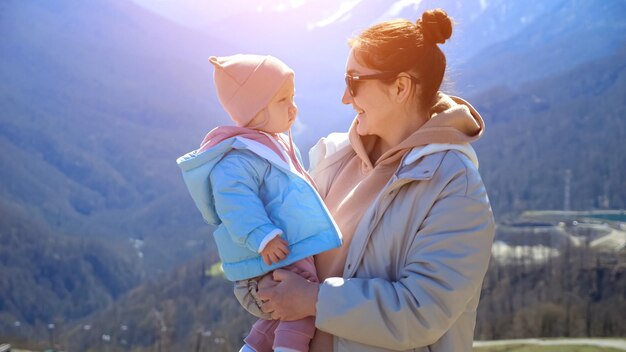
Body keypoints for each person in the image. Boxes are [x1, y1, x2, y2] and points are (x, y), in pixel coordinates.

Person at [238, 8, 496, 352]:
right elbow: (288, 268)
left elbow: (422, 312)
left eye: (354, 81)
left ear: (401, 86)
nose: (345, 97)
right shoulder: (332, 158)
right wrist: (258, 278)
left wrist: (314, 300)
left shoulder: (455, 188)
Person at [177, 54, 342, 352]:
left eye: (293, 97)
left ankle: (253, 348)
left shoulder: (268, 144)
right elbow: (234, 203)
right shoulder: (238, 159)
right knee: (300, 307)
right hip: (272, 253)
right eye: (283, 100)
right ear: (255, 109)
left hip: (284, 250)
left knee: (280, 311)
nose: (294, 108)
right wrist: (263, 237)